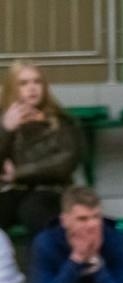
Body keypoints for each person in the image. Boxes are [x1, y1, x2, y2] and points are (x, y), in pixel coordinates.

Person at [0, 61, 83, 237]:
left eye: (37, 82)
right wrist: (6, 130)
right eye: (23, 83)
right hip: (12, 191)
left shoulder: (62, 121)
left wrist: (18, 173)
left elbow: (65, 162)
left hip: (51, 190)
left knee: (33, 209)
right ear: (12, 88)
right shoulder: (4, 121)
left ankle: (48, 255)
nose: (32, 88)